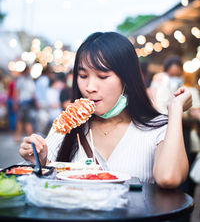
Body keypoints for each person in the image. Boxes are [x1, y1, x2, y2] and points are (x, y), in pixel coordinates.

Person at [19, 32, 192, 188]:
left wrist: (175, 110)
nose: (90, 87)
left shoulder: (157, 129)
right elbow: (47, 187)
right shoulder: (66, 128)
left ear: (126, 79)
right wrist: (41, 161)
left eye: (102, 76)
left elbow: (169, 178)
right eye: (83, 76)